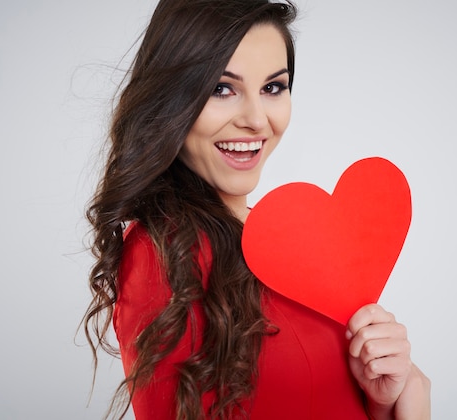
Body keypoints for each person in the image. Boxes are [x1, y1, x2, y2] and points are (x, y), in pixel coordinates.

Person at [83, 0, 431, 419]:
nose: (256, 119)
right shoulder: (165, 256)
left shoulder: (282, 237)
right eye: (221, 88)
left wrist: (382, 399)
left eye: (272, 88)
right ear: (173, 99)